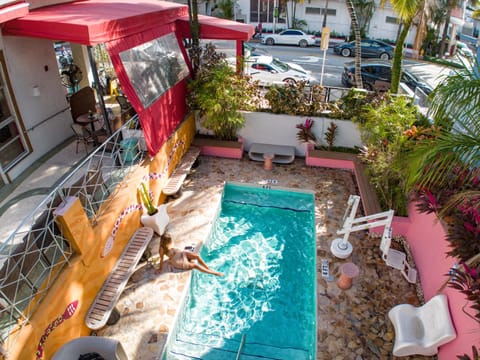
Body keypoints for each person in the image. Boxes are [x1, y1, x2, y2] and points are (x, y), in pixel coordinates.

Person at [157, 234, 224, 276]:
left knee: (197, 256)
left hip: (180, 254)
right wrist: (160, 268)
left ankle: (208, 268)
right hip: (177, 260)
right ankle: (214, 273)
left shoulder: (167, 245)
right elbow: (161, 259)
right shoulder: (161, 249)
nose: (171, 242)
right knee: (195, 266)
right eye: (169, 241)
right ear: (165, 242)